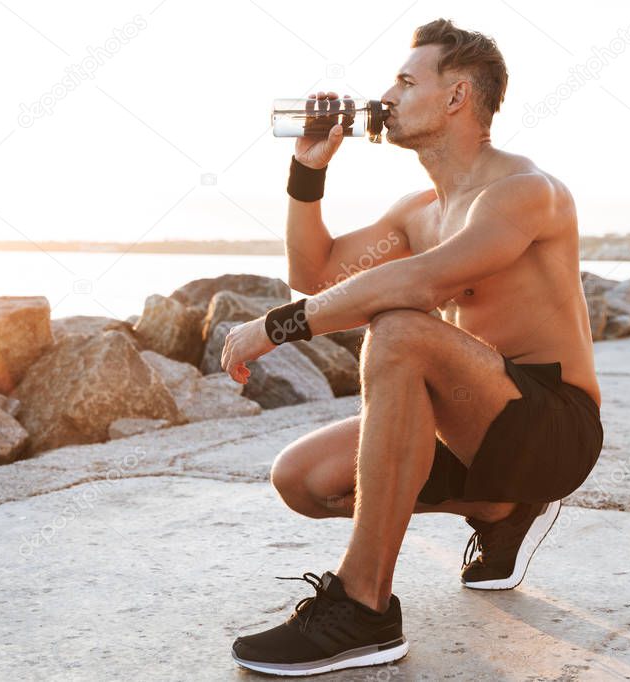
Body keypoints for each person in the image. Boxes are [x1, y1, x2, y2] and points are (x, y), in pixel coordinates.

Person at [220, 17, 603, 677]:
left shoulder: (523, 192)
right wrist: (306, 173)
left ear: (455, 98)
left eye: (404, 80)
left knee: (397, 328)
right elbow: (314, 277)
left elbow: (425, 281)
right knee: (302, 480)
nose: (385, 96)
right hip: (467, 431)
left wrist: (279, 326)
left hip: (550, 425)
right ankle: (498, 509)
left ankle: (363, 608)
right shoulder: (417, 210)